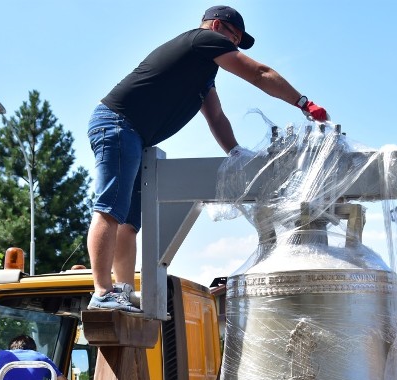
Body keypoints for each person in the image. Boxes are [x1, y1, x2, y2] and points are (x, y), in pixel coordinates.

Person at [86, 5, 328, 313]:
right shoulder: (201, 40)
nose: (235, 46)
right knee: (110, 208)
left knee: (130, 222)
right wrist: (304, 103)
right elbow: (259, 73)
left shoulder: (202, 74)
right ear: (216, 26)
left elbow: (215, 116)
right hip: (118, 124)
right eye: (234, 38)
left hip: (135, 135)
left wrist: (236, 154)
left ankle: (121, 292)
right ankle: (102, 291)